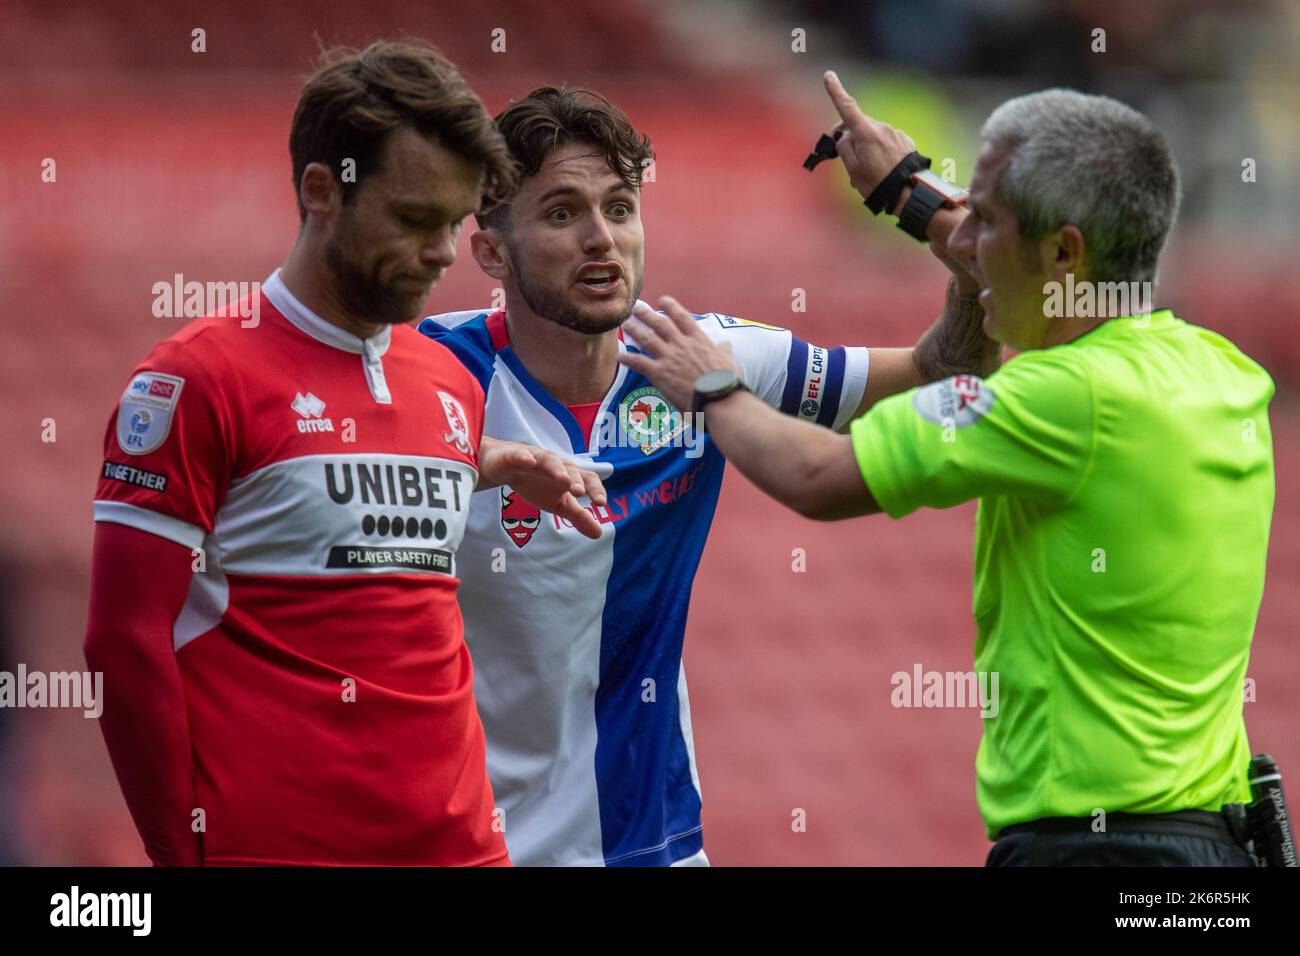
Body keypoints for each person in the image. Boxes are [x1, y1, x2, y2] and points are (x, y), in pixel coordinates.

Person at [623, 76, 1274, 866]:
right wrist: (908, 194)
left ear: (1065, 250)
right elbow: (1010, 264)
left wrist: (713, 384)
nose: (965, 239)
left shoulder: (1065, 397)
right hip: (1209, 853)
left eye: (986, 220)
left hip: (1096, 855)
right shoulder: (1221, 369)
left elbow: (817, 477)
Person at [417, 83, 999, 865]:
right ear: (490, 251)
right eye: (561, 214)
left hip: (655, 850)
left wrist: (916, 201)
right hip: (470, 848)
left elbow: (948, 370)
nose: (601, 239)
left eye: (620, 208)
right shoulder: (427, 376)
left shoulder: (700, 358)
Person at [84, 39, 606, 867]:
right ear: (322, 191)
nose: (441, 251)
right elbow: (122, 643)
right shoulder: (195, 381)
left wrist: (501, 461)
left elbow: (373, 473)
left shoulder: (447, 381)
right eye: (411, 219)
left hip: (464, 850)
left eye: (453, 222)